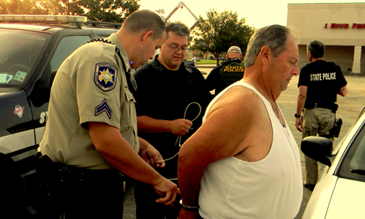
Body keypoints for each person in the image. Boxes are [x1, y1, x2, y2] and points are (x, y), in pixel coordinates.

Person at [38, 9, 178, 218]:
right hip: (79, 188)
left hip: (88, 185)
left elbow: (105, 127)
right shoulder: (101, 61)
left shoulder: (114, 61)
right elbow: (105, 140)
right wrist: (157, 179)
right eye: (155, 48)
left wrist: (141, 144)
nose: (151, 57)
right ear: (146, 36)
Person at [177, 24, 303, 219]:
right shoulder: (243, 103)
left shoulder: (264, 99)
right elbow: (190, 156)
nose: (296, 71)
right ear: (266, 55)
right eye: (292, 62)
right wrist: (189, 209)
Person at [133, 22, 212, 219]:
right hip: (154, 169)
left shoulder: (194, 76)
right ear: (161, 44)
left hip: (187, 170)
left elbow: (208, 111)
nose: (180, 52)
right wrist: (169, 126)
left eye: (184, 47)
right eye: (174, 46)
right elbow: (129, 122)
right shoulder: (143, 77)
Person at [295, 40, 348, 191]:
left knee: (310, 146)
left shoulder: (306, 70)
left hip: (311, 112)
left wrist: (298, 115)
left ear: (310, 53)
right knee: (327, 147)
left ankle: (311, 182)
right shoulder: (334, 68)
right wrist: (330, 88)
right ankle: (326, 180)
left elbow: (302, 95)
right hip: (328, 113)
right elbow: (343, 92)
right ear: (323, 53)